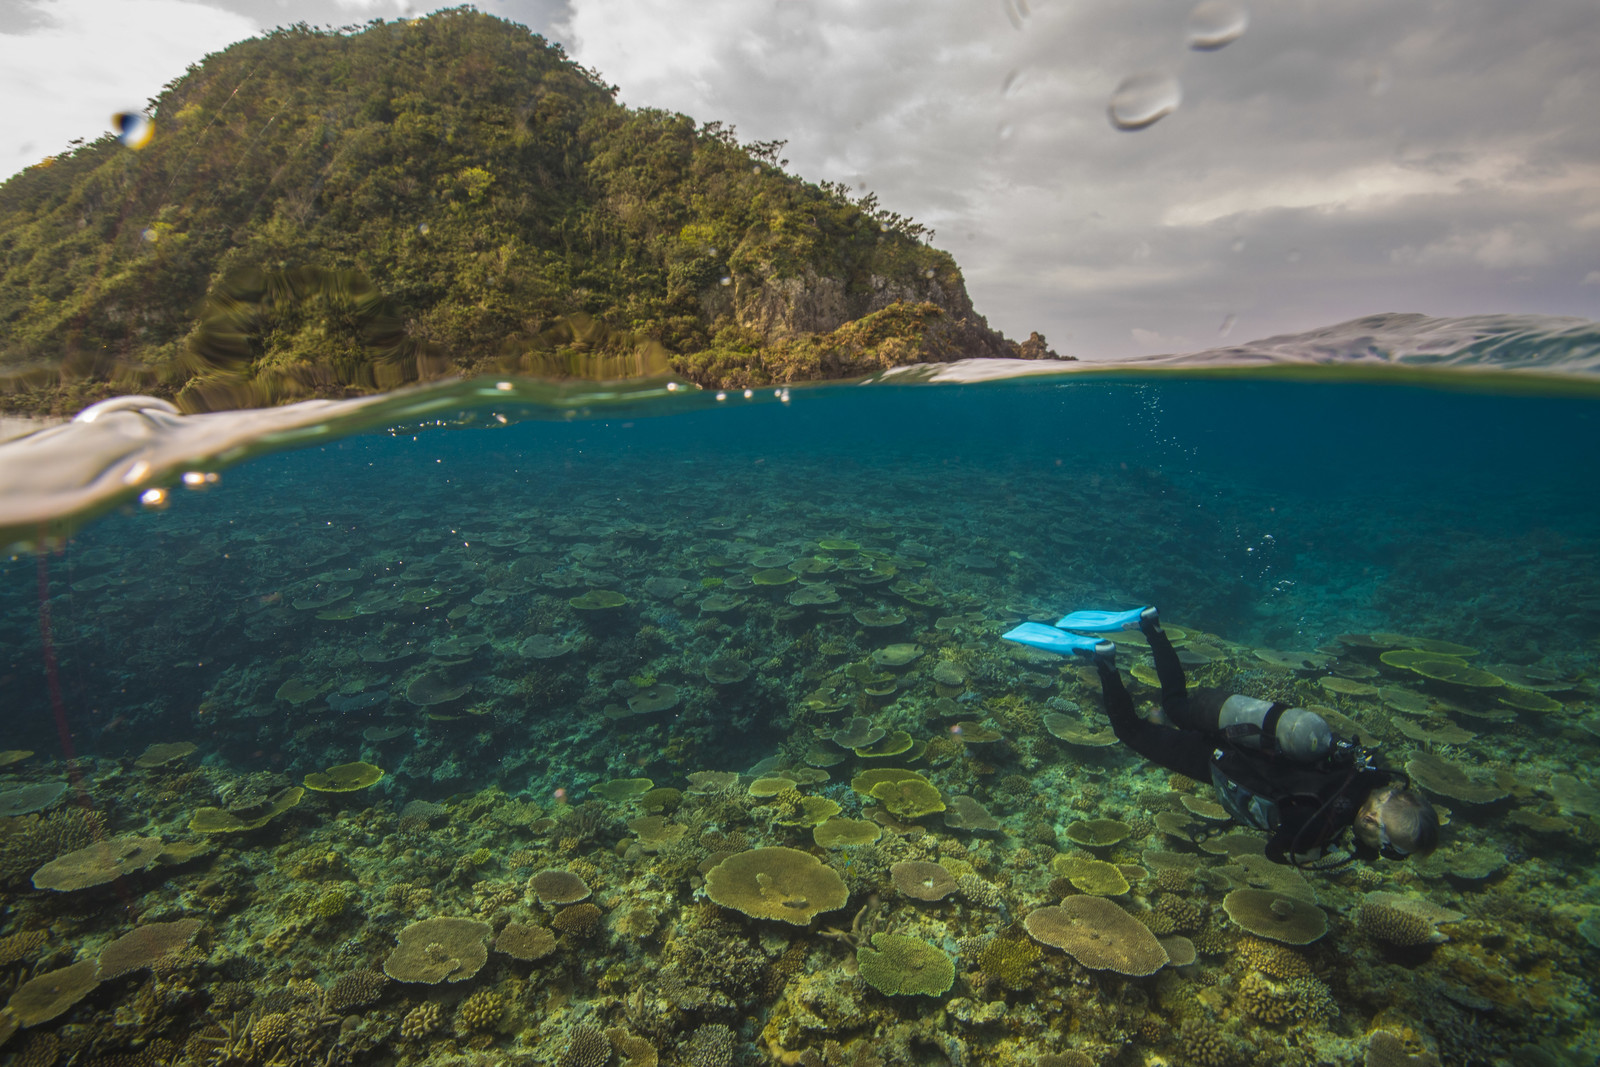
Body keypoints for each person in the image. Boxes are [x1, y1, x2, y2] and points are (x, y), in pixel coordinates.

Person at [1004, 607, 1438, 868]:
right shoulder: (1321, 824)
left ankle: (1150, 626)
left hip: (1241, 730)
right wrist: (1315, 853)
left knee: (1175, 702)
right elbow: (1277, 851)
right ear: (1372, 821)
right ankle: (1104, 660)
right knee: (1129, 730)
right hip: (1218, 760)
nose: (1384, 855)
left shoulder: (1366, 768)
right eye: (1391, 850)